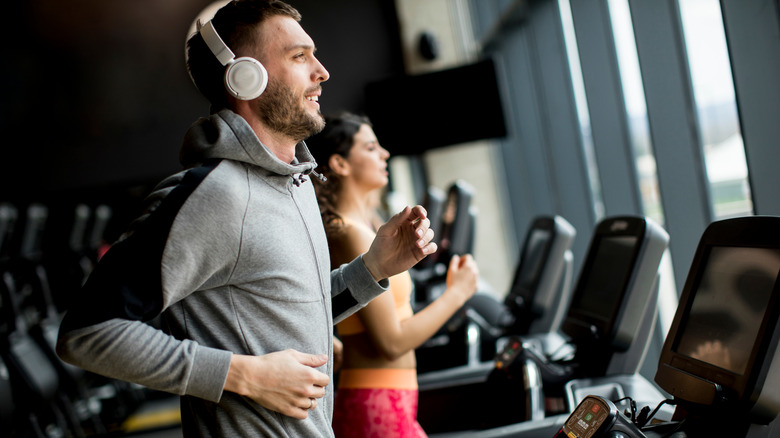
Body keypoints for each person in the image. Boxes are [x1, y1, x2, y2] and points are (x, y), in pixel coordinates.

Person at [55, 1, 437, 437]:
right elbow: (86, 333)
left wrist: (373, 269)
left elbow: (288, 318)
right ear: (245, 77)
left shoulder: (296, 186)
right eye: (299, 56)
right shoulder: (214, 196)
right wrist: (244, 375)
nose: (322, 71)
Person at [307, 112, 479, 437]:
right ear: (341, 164)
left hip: (388, 400)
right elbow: (391, 342)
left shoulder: (366, 224)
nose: (384, 154)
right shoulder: (351, 233)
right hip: (377, 402)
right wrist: (456, 294)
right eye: (371, 148)